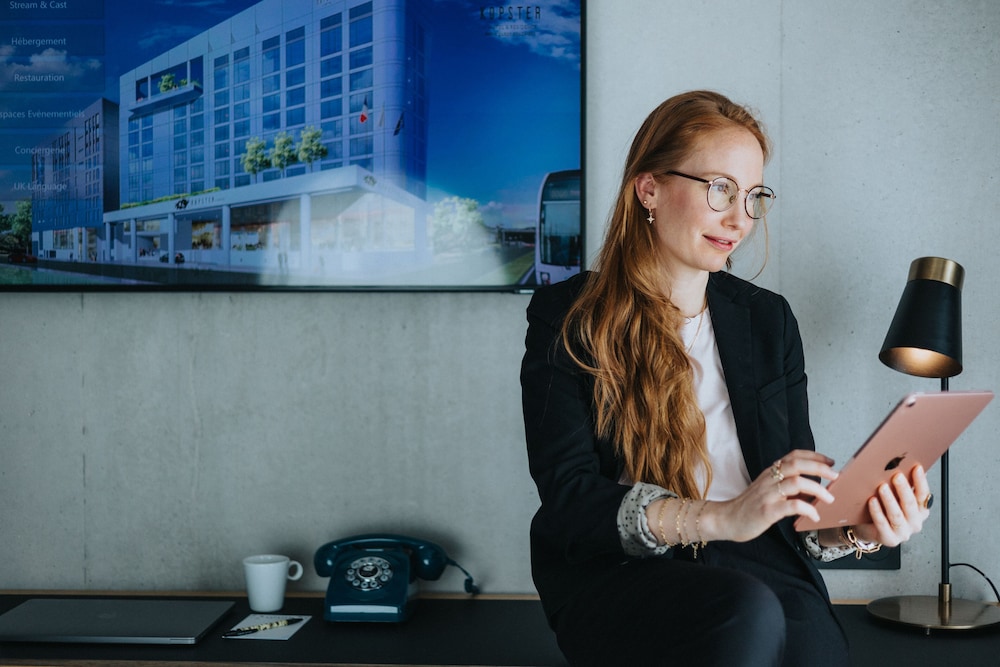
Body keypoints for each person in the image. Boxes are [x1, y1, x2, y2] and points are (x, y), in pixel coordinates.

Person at [519, 90, 932, 667]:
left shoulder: (769, 320)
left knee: (815, 646)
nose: (740, 219)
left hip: (762, 563)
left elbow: (793, 505)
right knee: (745, 612)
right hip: (622, 571)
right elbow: (569, 498)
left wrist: (858, 530)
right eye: (719, 189)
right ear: (649, 189)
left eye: (753, 196)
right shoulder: (568, 315)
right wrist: (721, 518)